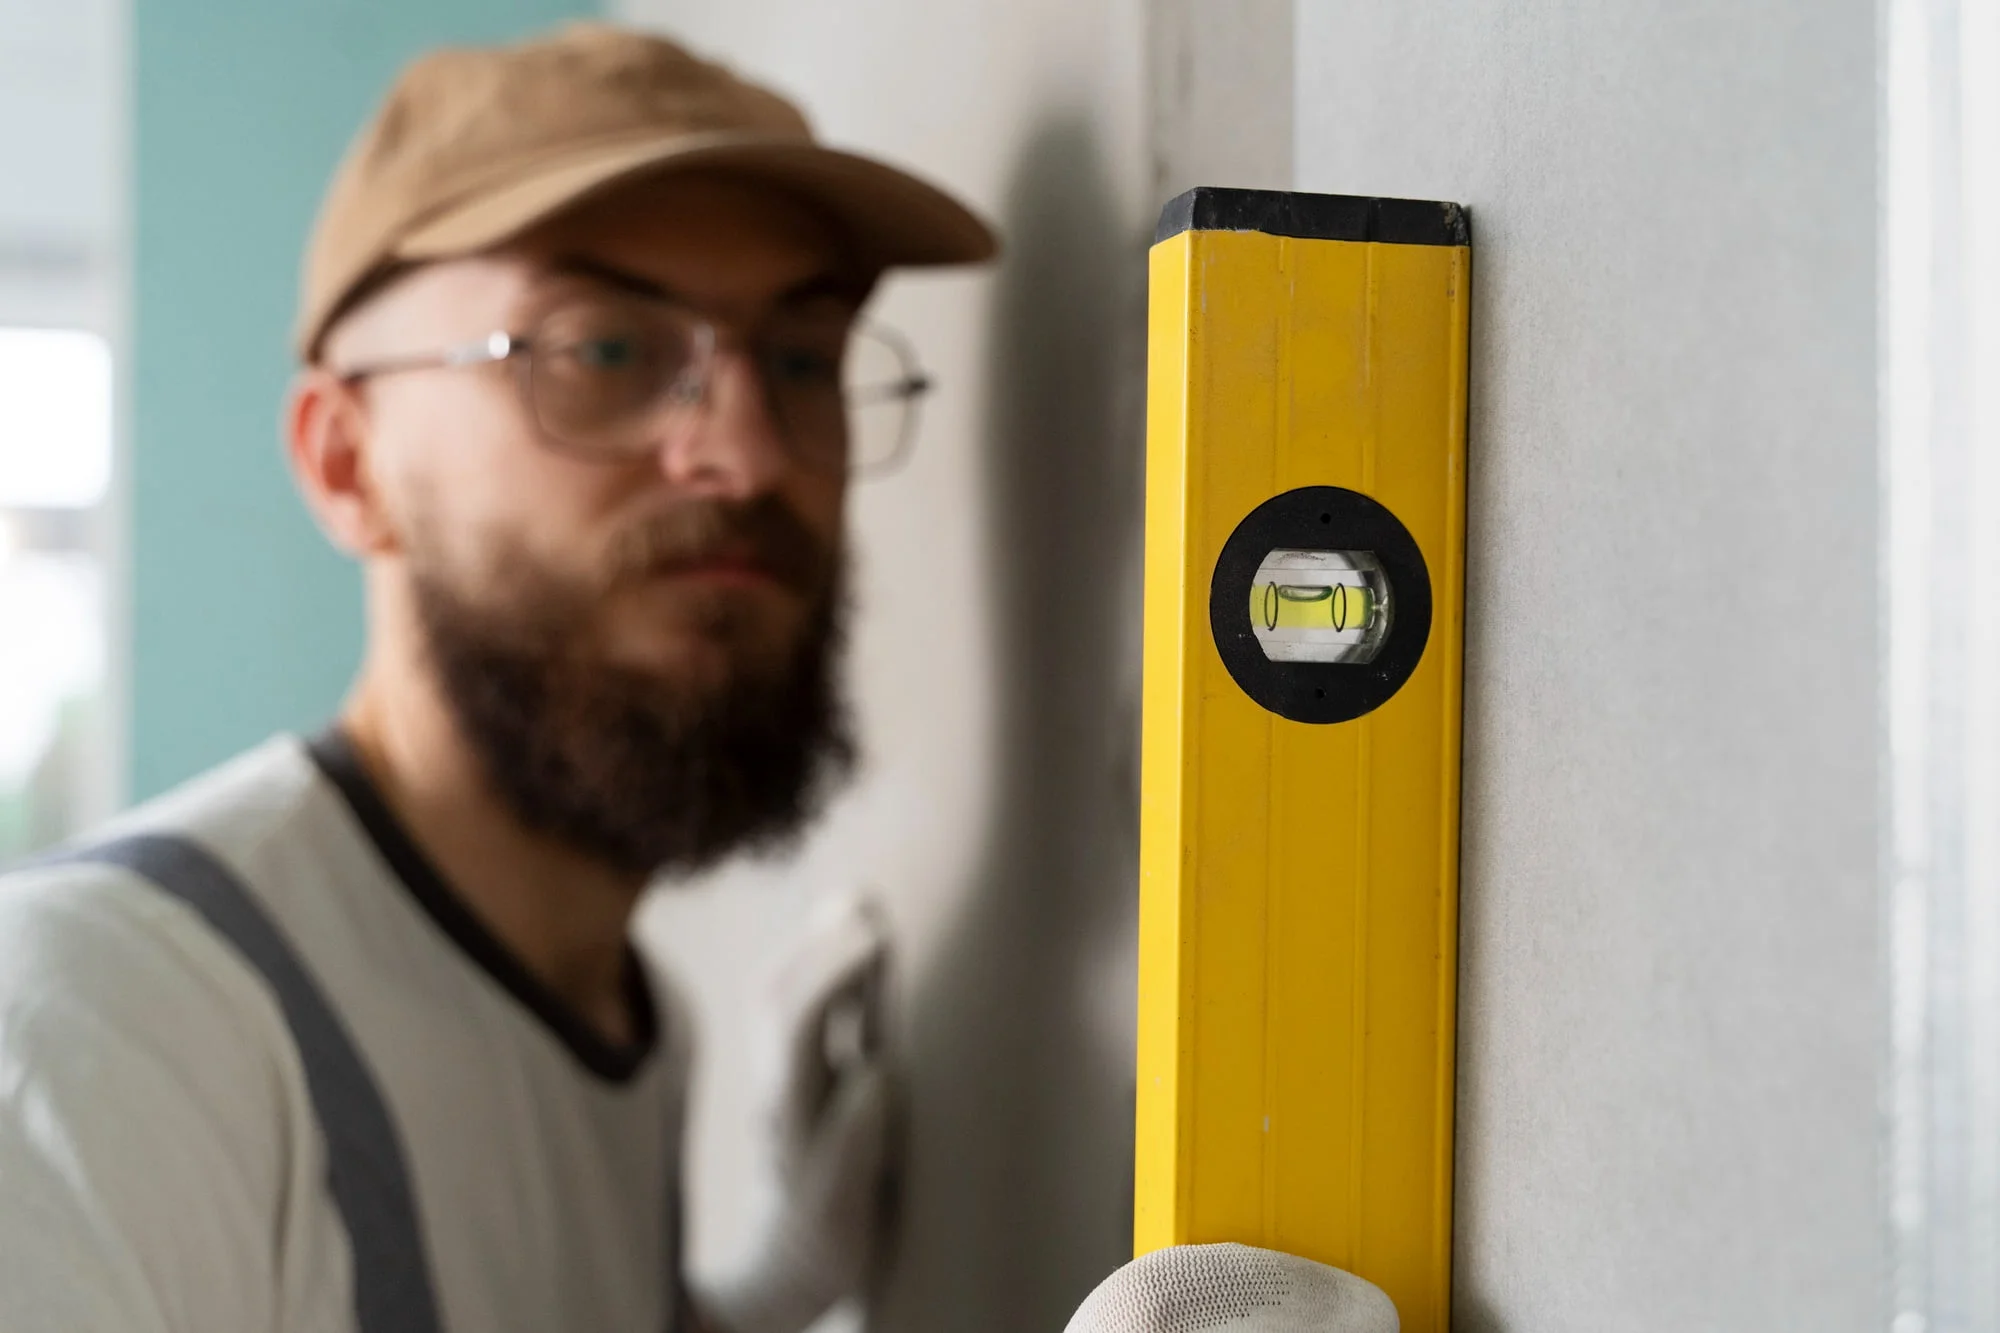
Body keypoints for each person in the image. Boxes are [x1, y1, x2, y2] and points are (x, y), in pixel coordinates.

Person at [0, 21, 1393, 1333]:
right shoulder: (97, 1032)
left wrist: (764, 1288)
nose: (747, 452)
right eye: (604, 349)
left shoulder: (622, 1023)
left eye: (800, 355)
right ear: (347, 462)